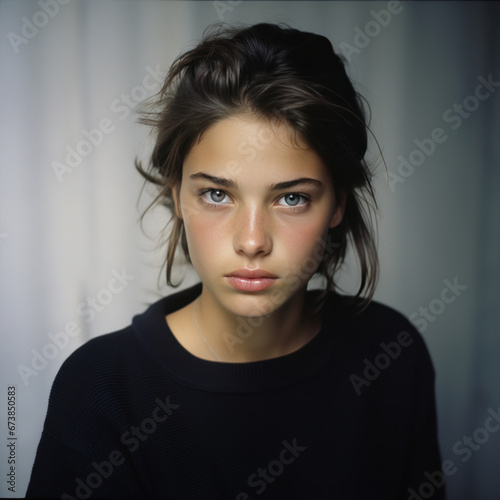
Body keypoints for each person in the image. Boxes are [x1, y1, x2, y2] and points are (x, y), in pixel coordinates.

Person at [26, 22, 444, 499]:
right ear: (177, 196)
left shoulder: (391, 355)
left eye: (291, 199)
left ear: (338, 205)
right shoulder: (100, 387)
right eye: (217, 194)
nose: (251, 242)